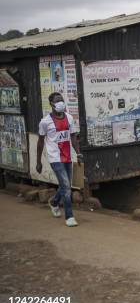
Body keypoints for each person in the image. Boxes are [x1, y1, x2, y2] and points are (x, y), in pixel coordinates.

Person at [36, 92, 82, 227]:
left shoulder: (69, 118)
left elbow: (73, 136)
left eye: (61, 100)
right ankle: (69, 217)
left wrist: (78, 153)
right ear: (51, 104)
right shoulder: (45, 122)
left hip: (67, 156)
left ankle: (54, 202)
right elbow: (40, 142)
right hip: (55, 157)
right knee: (67, 186)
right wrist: (38, 162)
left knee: (65, 185)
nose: (60, 102)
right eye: (57, 101)